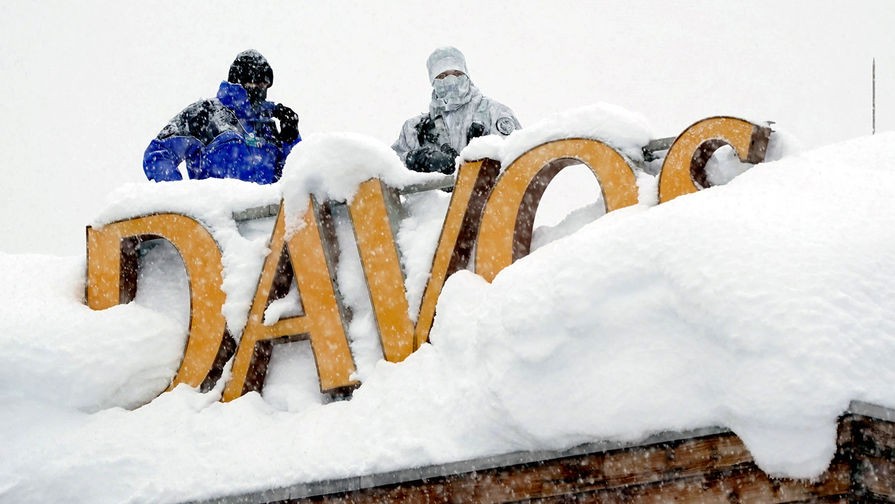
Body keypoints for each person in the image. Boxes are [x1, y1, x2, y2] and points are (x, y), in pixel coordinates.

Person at [143, 50, 301, 184]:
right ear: (240, 81)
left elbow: (294, 179)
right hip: (219, 210)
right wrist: (182, 199)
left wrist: (291, 139)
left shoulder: (266, 126)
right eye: (257, 83)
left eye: (265, 85)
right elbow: (157, 154)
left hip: (266, 211)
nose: (262, 90)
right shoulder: (205, 113)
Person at [392, 47, 521, 174]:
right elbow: (390, 167)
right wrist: (415, 159)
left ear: (467, 75)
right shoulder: (415, 130)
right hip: (438, 189)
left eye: (457, 74)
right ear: (433, 81)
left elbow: (518, 160)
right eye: (442, 76)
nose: (450, 80)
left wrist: (478, 160)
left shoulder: (494, 113)